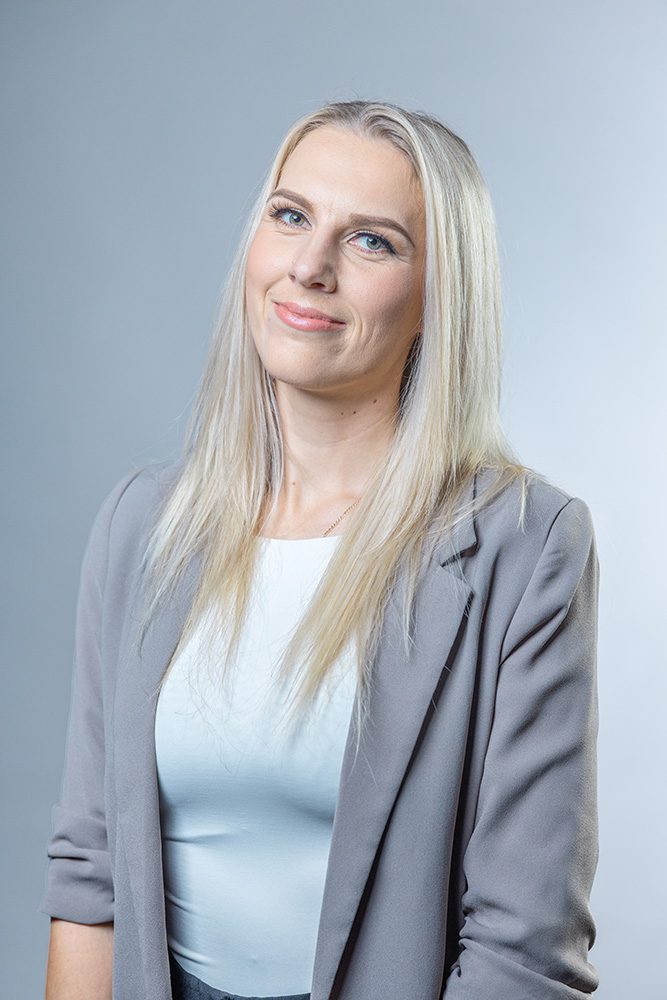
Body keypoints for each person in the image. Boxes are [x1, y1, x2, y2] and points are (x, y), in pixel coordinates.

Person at [39, 99, 601, 1000]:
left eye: (371, 241)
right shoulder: (141, 525)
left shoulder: (523, 546)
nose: (308, 267)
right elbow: (89, 873)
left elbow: (520, 950)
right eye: (290, 215)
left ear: (437, 300)